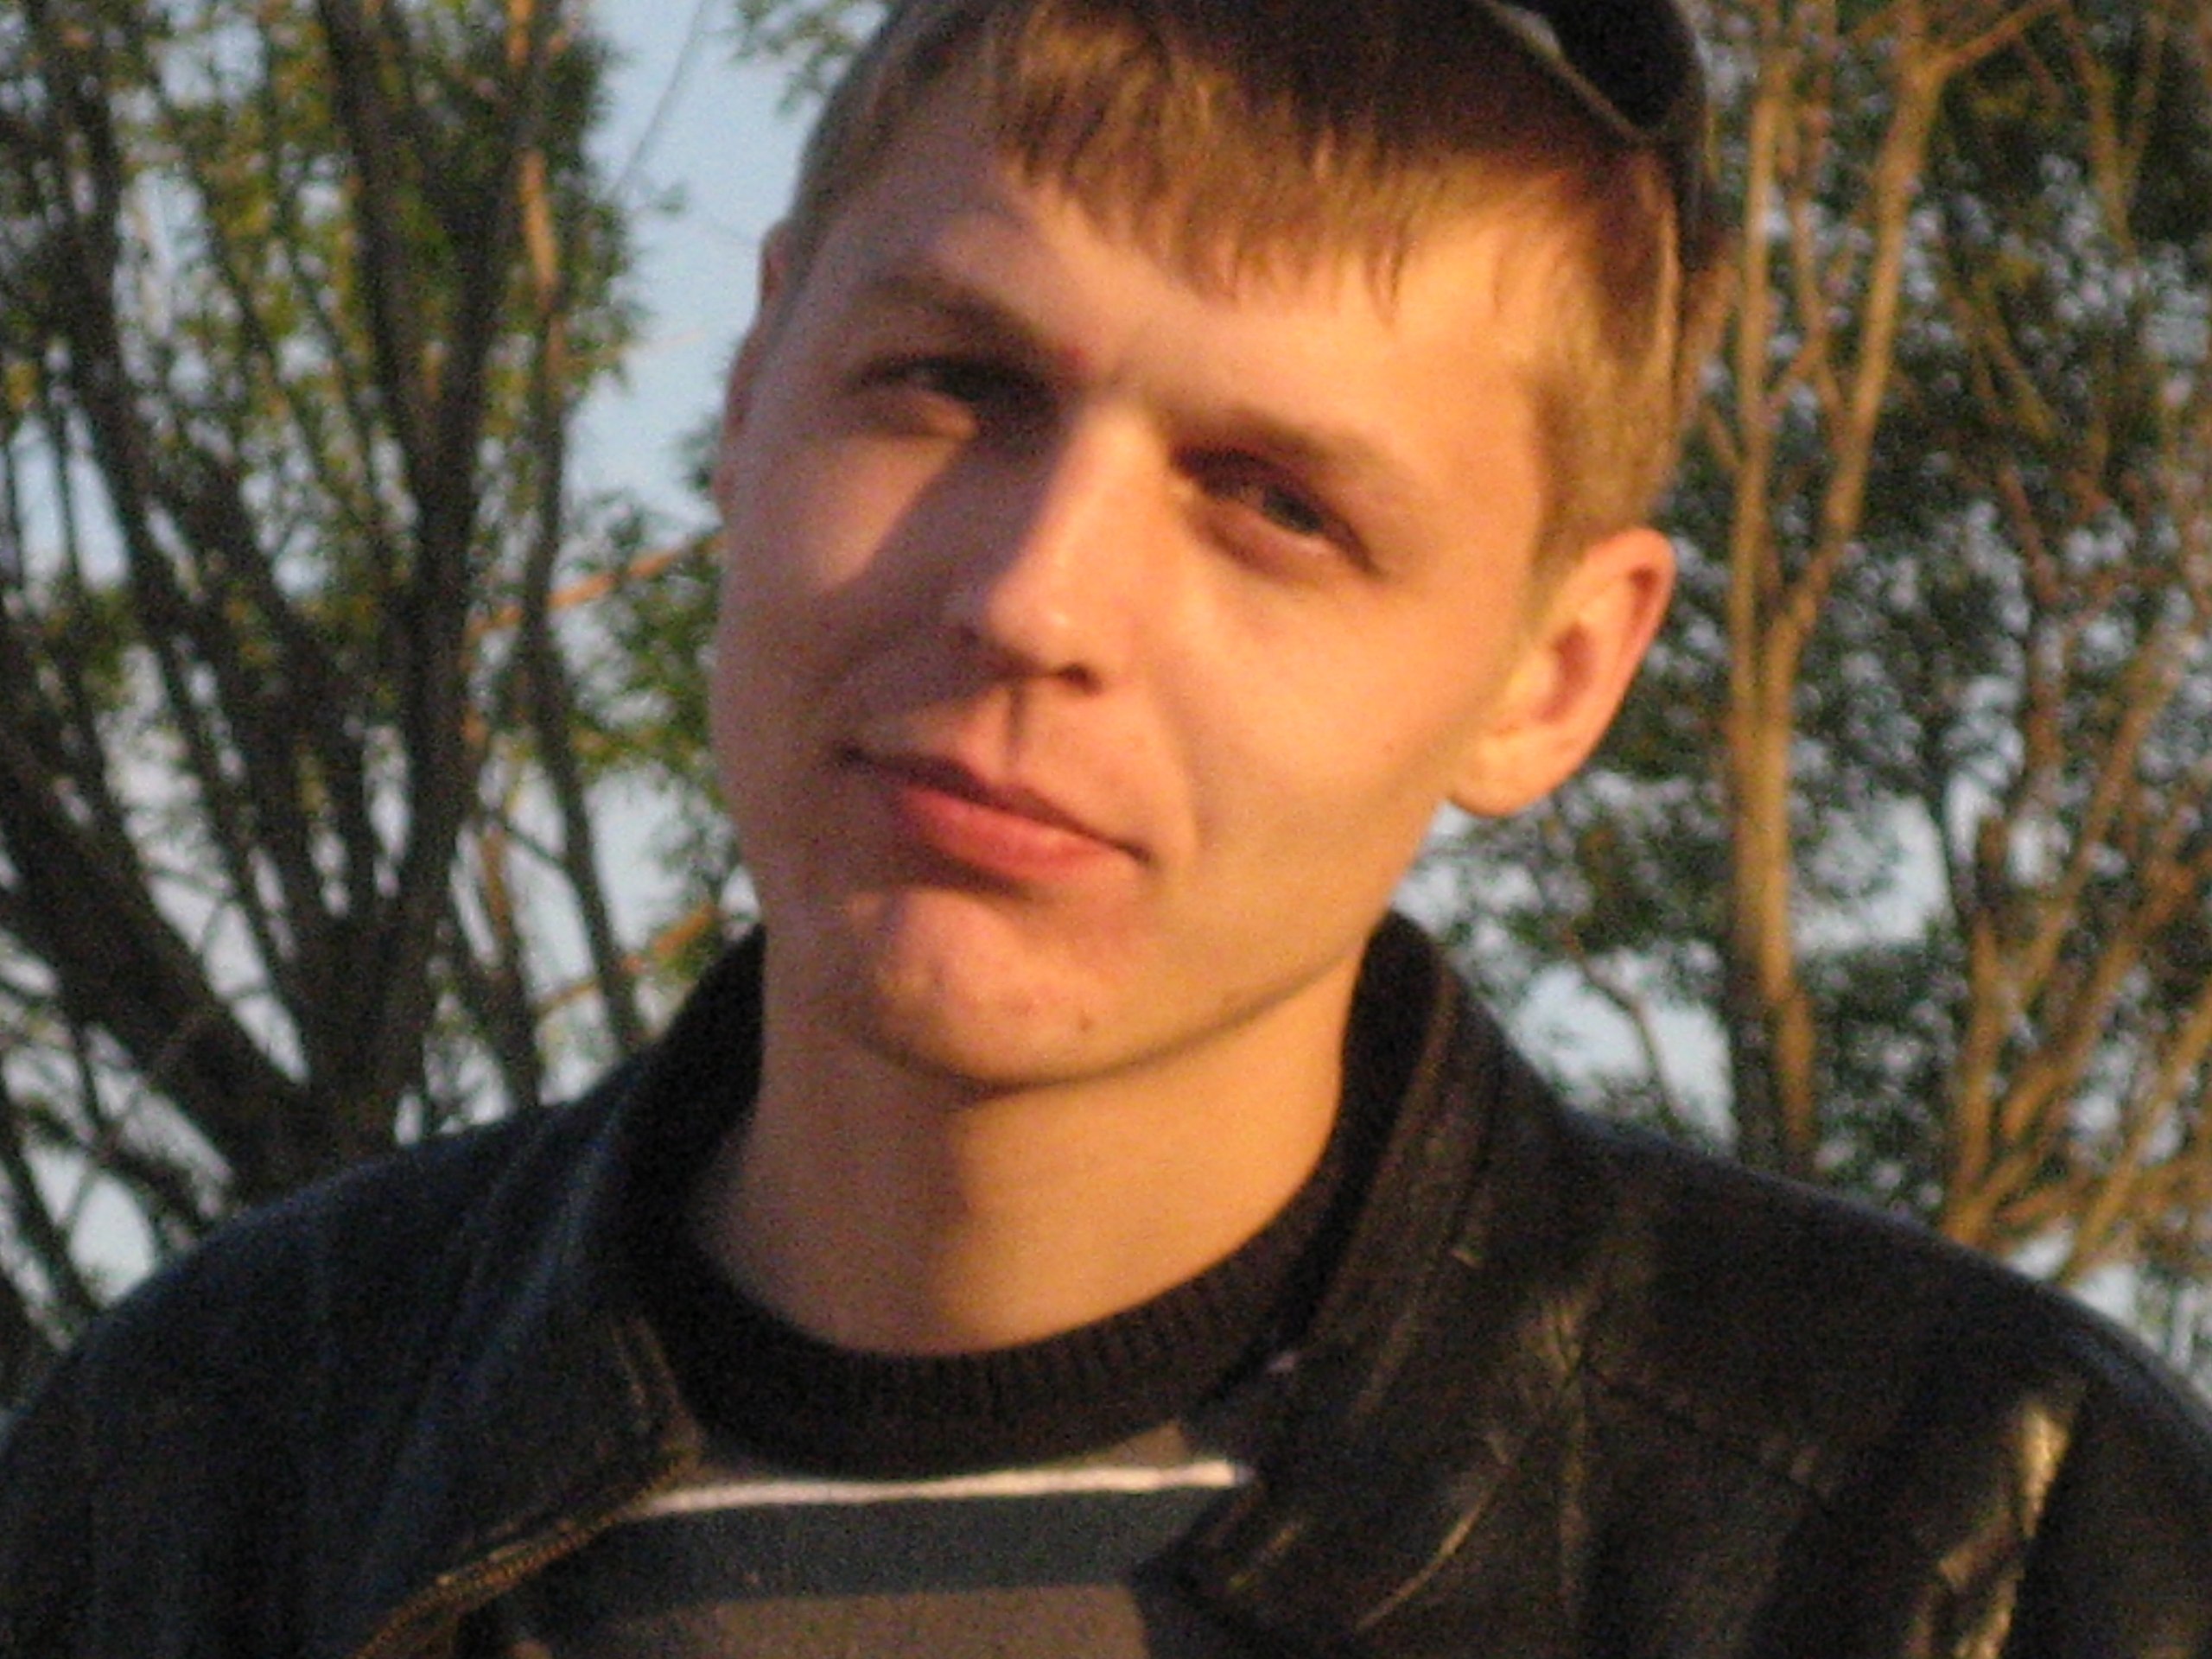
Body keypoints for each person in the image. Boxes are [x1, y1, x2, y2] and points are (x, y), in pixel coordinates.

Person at [5, 0, 2212, 1652]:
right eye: (950, 385)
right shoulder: (203, 1472)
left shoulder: (1969, 1535)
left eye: (1276, 505)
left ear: (1551, 674)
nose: (1032, 600)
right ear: (752, 388)